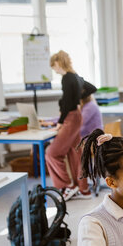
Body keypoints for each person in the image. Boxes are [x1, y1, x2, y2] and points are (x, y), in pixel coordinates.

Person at [47, 50, 90, 200]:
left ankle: (67, 187)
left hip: (71, 118)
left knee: (52, 153)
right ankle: (84, 189)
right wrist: (78, 99)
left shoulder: (66, 78)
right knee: (75, 153)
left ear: (58, 63)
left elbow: (66, 104)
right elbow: (91, 88)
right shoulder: (76, 77)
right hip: (76, 116)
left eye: (54, 66)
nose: (54, 69)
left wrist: (59, 123)